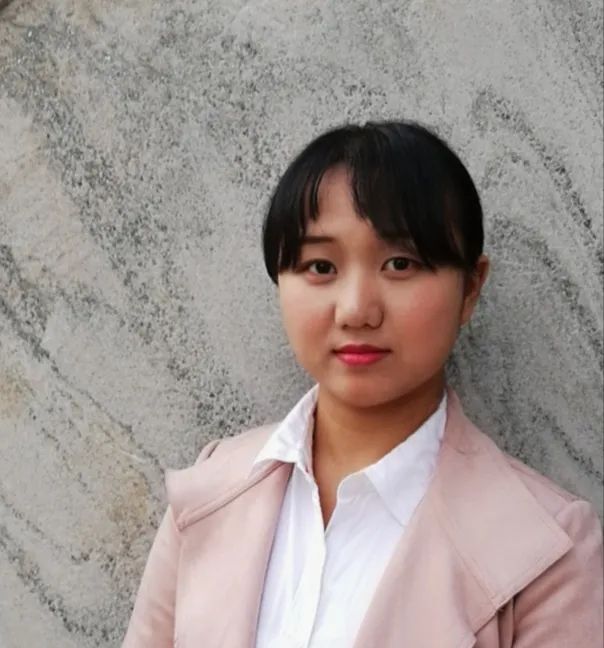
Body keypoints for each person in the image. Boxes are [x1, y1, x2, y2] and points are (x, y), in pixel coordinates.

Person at [122, 121, 603, 647]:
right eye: (320, 266)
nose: (355, 310)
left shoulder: (547, 551)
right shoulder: (211, 492)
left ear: (470, 288)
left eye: (400, 263)